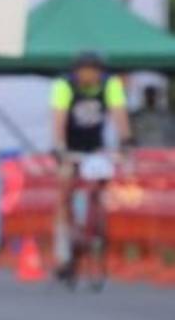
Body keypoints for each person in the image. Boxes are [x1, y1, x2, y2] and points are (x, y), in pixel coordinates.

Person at [50, 51, 133, 277]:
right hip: (71, 145)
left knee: (101, 180)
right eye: (85, 72)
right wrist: (59, 147)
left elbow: (119, 115)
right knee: (65, 191)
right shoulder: (64, 86)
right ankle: (63, 253)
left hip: (95, 146)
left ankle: (96, 221)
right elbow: (58, 119)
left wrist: (125, 141)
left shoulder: (110, 85)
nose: (89, 77)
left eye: (94, 72)